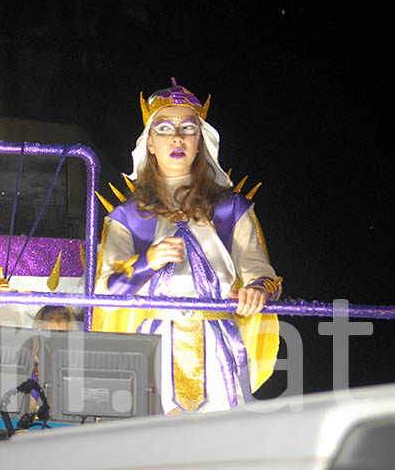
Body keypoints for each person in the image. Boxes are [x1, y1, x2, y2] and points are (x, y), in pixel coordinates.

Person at [92, 80, 282, 414]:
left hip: (218, 340)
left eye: (188, 129)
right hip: (154, 344)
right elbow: (106, 292)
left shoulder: (230, 208)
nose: (177, 138)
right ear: (150, 143)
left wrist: (257, 289)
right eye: (165, 129)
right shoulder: (127, 216)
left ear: (200, 142)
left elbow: (262, 274)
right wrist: (147, 262)